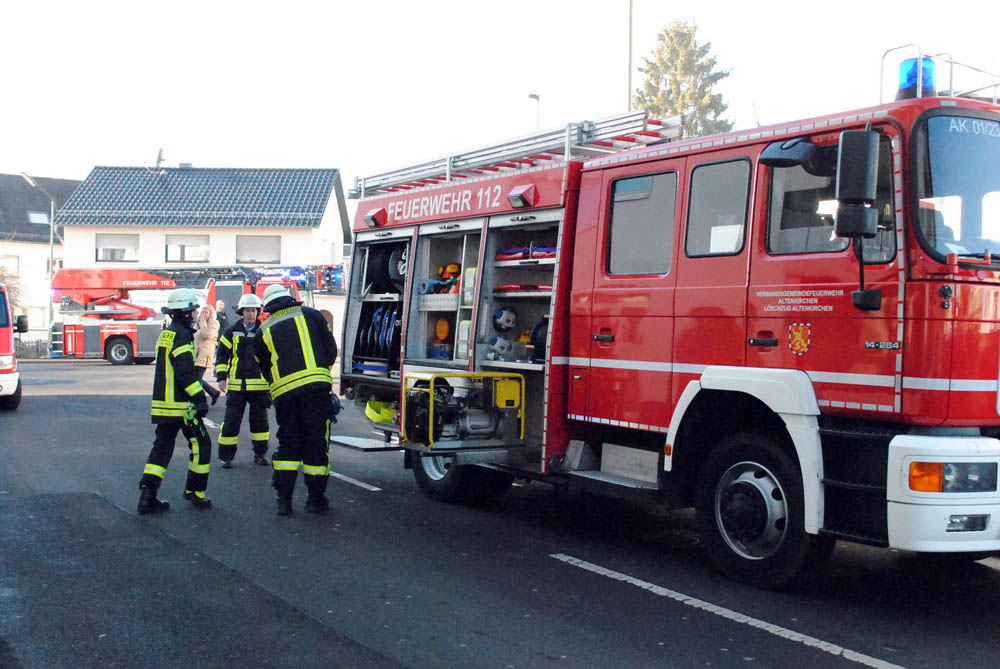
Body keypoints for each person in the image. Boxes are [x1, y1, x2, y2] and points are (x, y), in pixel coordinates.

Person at [254, 283, 338, 515]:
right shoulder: (311, 315)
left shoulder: (264, 330)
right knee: (315, 443)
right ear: (290, 298)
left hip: (285, 396)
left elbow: (264, 368)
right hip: (315, 391)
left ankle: (284, 500)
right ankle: (315, 499)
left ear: (268, 306)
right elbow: (330, 349)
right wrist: (320, 373)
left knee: (289, 443)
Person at [137, 288, 213, 513]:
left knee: (161, 450)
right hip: (183, 407)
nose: (196, 315)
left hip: (165, 406)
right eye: (193, 311)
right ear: (186, 312)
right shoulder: (181, 335)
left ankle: (147, 496)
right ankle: (195, 492)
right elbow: (185, 372)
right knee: (202, 445)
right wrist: (199, 397)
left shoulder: (167, 333)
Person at [215, 293, 270, 468]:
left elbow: (271, 358)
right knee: (231, 423)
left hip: (260, 387)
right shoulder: (232, 332)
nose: (251, 314)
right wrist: (222, 377)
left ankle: (260, 454)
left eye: (254, 310)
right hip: (237, 387)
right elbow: (222, 355)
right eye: (247, 311)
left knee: (260, 424)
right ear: (241, 312)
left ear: (258, 312)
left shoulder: (264, 331)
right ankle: (226, 457)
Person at [194, 305, 221, 404]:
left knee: (196, 379)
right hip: (196, 354)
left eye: (206, 312)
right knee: (196, 378)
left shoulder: (214, 323)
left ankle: (206, 397)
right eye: (203, 312)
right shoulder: (198, 323)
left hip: (205, 354)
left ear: (211, 314)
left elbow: (207, 335)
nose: (204, 314)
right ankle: (213, 393)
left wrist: (203, 324)